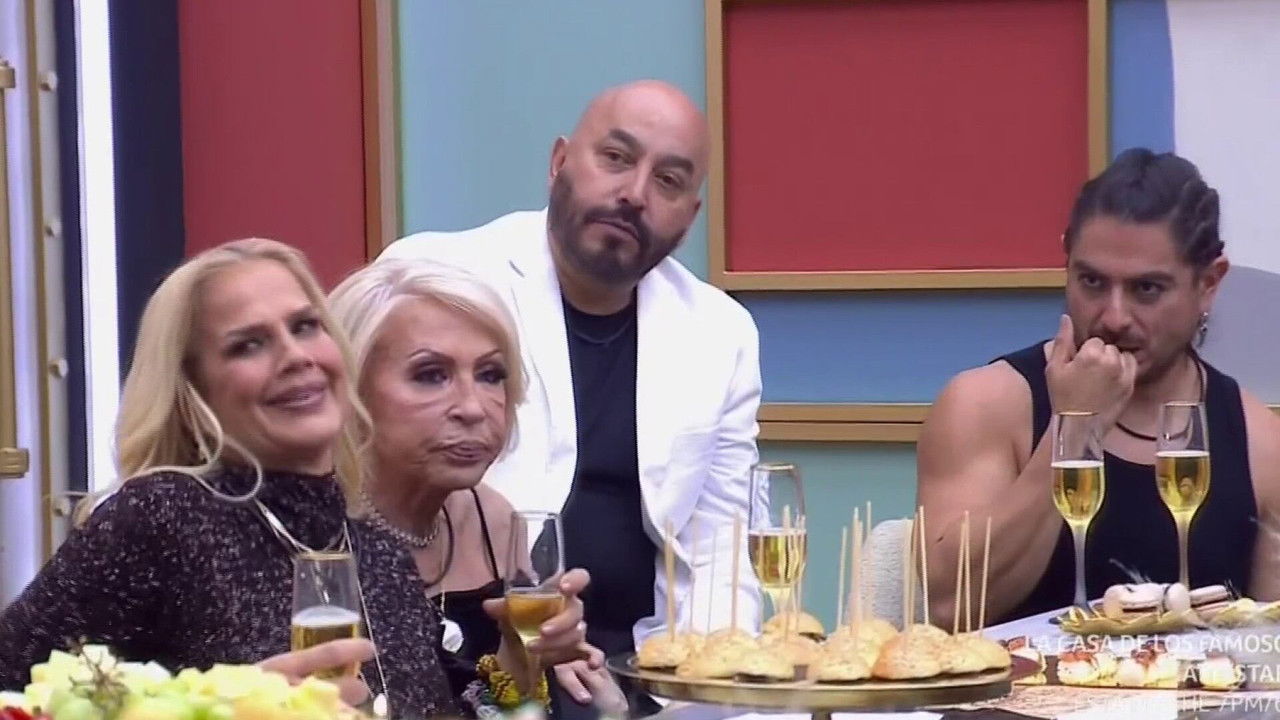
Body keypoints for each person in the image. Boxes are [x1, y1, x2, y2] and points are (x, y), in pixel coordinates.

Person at [0, 239, 590, 719]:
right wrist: (223, 711)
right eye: (249, 345)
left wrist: (517, 665)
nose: (296, 356)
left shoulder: (374, 545)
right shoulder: (163, 514)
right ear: (195, 389)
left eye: (306, 327)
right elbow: (13, 693)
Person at [380, 79, 763, 665]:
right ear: (559, 162)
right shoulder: (437, 278)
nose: (634, 194)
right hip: (486, 651)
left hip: (652, 666)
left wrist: (709, 683)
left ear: (689, 219)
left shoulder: (720, 332)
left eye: (668, 180)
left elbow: (721, 545)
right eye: (616, 158)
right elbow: (365, 490)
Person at [918, 149, 1280, 626]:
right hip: (1016, 678)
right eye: (1091, 281)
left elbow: (1268, 642)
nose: (1113, 317)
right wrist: (1073, 427)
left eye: (1146, 289)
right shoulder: (986, 404)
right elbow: (949, 608)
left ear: (1209, 283)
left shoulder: (1257, 438)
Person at [328, 259, 626, 716]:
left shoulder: (495, 520)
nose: (473, 408)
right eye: (431, 374)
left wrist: (533, 657)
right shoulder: (308, 531)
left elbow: (505, 707)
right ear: (351, 388)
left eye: (490, 375)